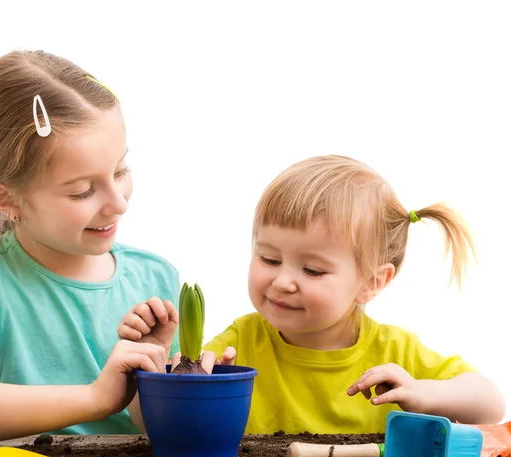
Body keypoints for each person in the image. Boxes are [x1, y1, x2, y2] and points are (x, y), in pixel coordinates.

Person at [118, 155, 506, 434]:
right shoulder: (241, 343)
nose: (283, 281)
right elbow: (154, 427)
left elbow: (490, 404)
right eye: (269, 258)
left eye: (313, 270)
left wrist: (422, 393)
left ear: (373, 281)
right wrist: (152, 367)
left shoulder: (396, 354)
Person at [0, 50, 180, 444]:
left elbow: (161, 430)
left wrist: (160, 381)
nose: (119, 202)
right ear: (5, 199)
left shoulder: (155, 278)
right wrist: (95, 398)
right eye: (82, 191)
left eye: (120, 171)